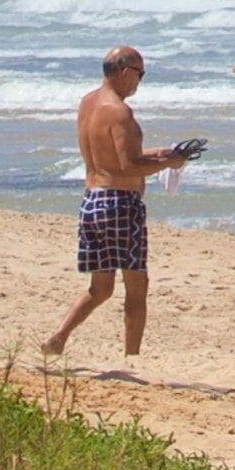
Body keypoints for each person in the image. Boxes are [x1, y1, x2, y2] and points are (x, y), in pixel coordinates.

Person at [46, 47, 190, 359]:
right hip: (120, 204)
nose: (140, 81)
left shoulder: (88, 103)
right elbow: (128, 167)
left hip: (93, 201)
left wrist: (166, 153)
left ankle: (58, 337)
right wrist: (168, 164)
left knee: (101, 288)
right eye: (140, 73)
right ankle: (133, 359)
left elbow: (110, 158)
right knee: (136, 285)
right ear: (124, 71)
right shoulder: (120, 112)